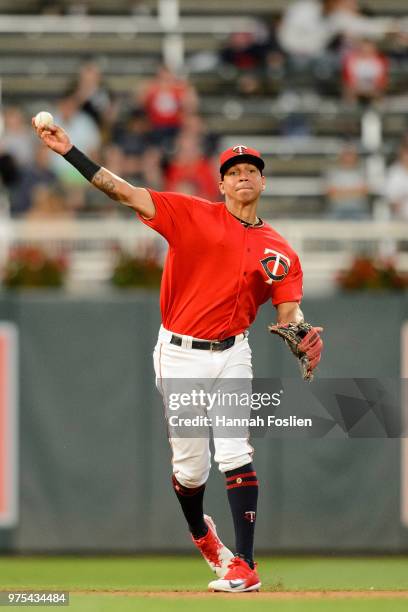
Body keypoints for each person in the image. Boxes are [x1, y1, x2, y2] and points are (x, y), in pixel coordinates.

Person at [32, 119, 324, 593]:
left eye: (251, 169)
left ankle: (244, 565)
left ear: (263, 181)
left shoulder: (280, 250)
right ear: (222, 181)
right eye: (234, 171)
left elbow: (288, 308)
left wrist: (301, 330)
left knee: (235, 452)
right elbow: (121, 190)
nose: (243, 176)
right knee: (191, 470)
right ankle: (202, 535)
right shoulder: (190, 214)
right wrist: (70, 151)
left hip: (234, 352)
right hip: (181, 353)